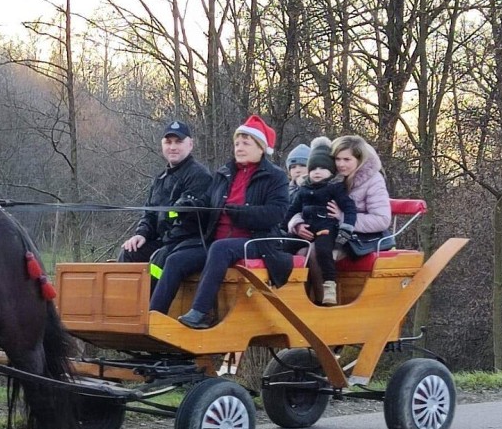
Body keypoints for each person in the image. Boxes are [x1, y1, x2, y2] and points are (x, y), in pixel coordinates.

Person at [149, 115, 290, 329]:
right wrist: (188, 206)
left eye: (246, 143)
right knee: (176, 259)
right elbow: (208, 203)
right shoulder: (224, 174)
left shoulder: (275, 177)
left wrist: (242, 213)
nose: (239, 148)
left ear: (261, 147)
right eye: (237, 143)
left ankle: (201, 313)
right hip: (217, 241)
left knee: (220, 248)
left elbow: (277, 213)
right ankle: (153, 317)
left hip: (256, 242)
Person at [288, 132, 392, 273]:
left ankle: (325, 294)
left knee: (316, 252)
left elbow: (382, 219)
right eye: (337, 159)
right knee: (299, 251)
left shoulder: (373, 180)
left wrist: (342, 217)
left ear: (359, 159)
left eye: (347, 159)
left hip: (359, 237)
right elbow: (304, 204)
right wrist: (297, 224)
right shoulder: (330, 176)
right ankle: (301, 294)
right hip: (325, 229)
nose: (341, 164)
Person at [118, 120, 212, 269]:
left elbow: (189, 222)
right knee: (129, 252)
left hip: (185, 244)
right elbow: (149, 214)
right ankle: (123, 293)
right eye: (168, 142)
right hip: (163, 242)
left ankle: (153, 292)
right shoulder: (160, 178)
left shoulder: (199, 176)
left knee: (158, 263)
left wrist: (166, 241)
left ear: (190, 144)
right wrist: (141, 234)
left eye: (178, 142)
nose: (173, 147)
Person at [286, 137, 357, 305]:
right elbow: (291, 210)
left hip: (328, 229)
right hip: (306, 230)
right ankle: (294, 296)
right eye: (313, 168)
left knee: (320, 250)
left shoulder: (334, 188)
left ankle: (326, 293)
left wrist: (345, 228)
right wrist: (290, 225)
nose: (317, 172)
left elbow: (350, 208)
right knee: (285, 247)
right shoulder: (302, 188)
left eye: (322, 168)